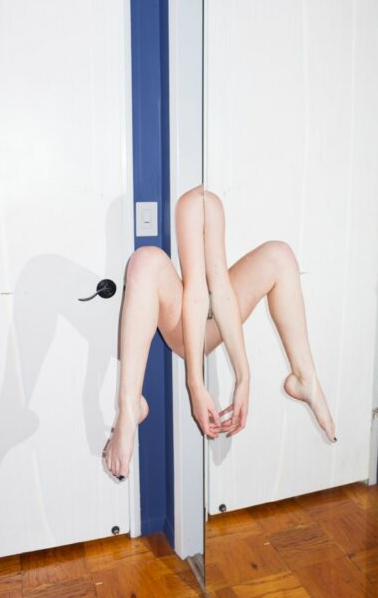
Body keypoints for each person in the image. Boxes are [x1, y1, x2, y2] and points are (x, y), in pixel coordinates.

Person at [102, 185, 337, 481]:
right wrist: (196, 385)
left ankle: (306, 379)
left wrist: (244, 377)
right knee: (145, 260)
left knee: (280, 254)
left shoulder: (211, 203)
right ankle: (129, 407)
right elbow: (196, 294)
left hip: (214, 319)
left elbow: (221, 289)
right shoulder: (191, 203)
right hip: (184, 325)